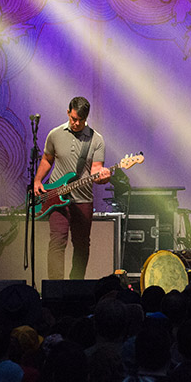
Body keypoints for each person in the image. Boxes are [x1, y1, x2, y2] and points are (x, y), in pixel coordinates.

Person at [33, 96, 110, 280]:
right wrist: (37, 181)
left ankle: (76, 285)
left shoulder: (96, 139)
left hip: (83, 200)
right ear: (68, 112)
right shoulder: (55, 134)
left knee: (81, 245)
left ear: (86, 118)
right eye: (73, 118)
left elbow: (96, 170)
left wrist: (103, 177)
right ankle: (56, 286)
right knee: (57, 242)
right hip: (56, 198)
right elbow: (47, 159)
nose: (76, 123)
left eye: (80, 120)